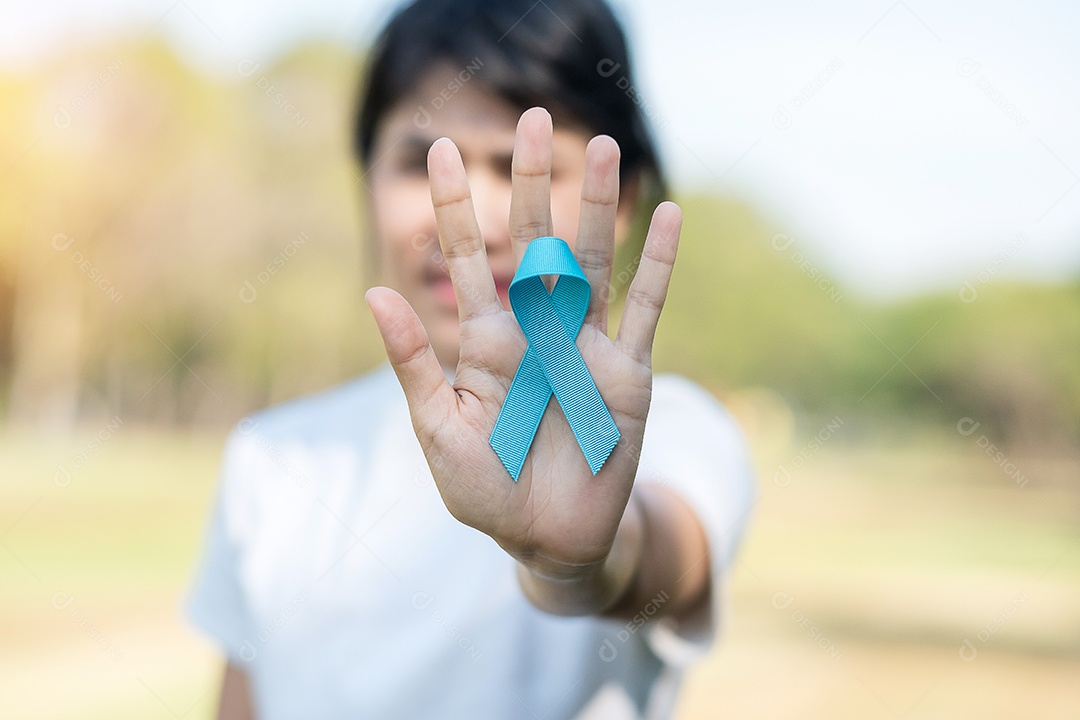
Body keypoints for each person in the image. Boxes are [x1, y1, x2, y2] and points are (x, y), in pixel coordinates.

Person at [186, 0, 755, 718]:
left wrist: (582, 563)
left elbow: (656, 556)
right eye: (419, 161)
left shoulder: (672, 435)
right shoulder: (272, 458)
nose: (477, 218)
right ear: (365, 180)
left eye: (524, 168)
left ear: (620, 201)